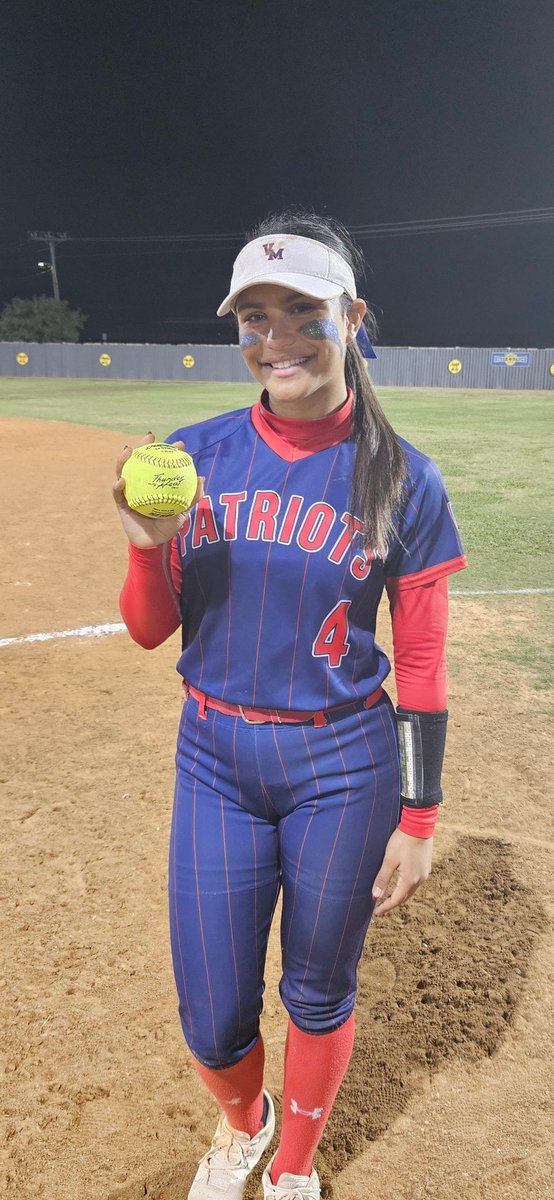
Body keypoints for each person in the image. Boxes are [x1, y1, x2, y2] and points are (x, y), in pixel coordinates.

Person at [113, 209, 467, 1200]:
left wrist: (420, 815)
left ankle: (294, 1170)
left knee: (316, 991)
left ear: (350, 317)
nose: (274, 337)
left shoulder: (402, 480)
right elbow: (149, 630)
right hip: (215, 758)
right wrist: (147, 547)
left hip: (343, 767)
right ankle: (244, 1125)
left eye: (300, 312)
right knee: (213, 1013)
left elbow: (424, 662)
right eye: (252, 316)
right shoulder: (196, 457)